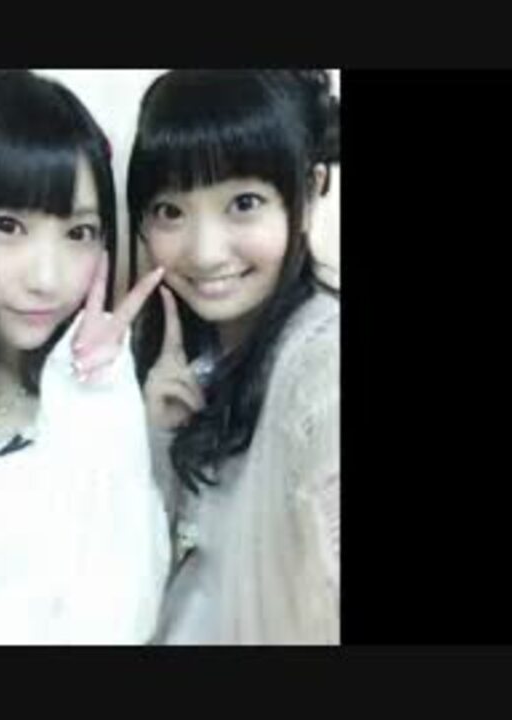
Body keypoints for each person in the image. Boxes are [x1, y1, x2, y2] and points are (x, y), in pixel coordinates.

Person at [0, 70, 169, 644]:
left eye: (79, 233)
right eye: (8, 226)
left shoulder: (91, 405)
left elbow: (130, 620)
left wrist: (102, 405)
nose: (47, 278)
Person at [125, 69, 340, 643]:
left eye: (243, 203)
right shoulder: (188, 364)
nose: (204, 252)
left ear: (309, 192)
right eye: (170, 211)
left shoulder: (323, 370)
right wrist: (156, 439)